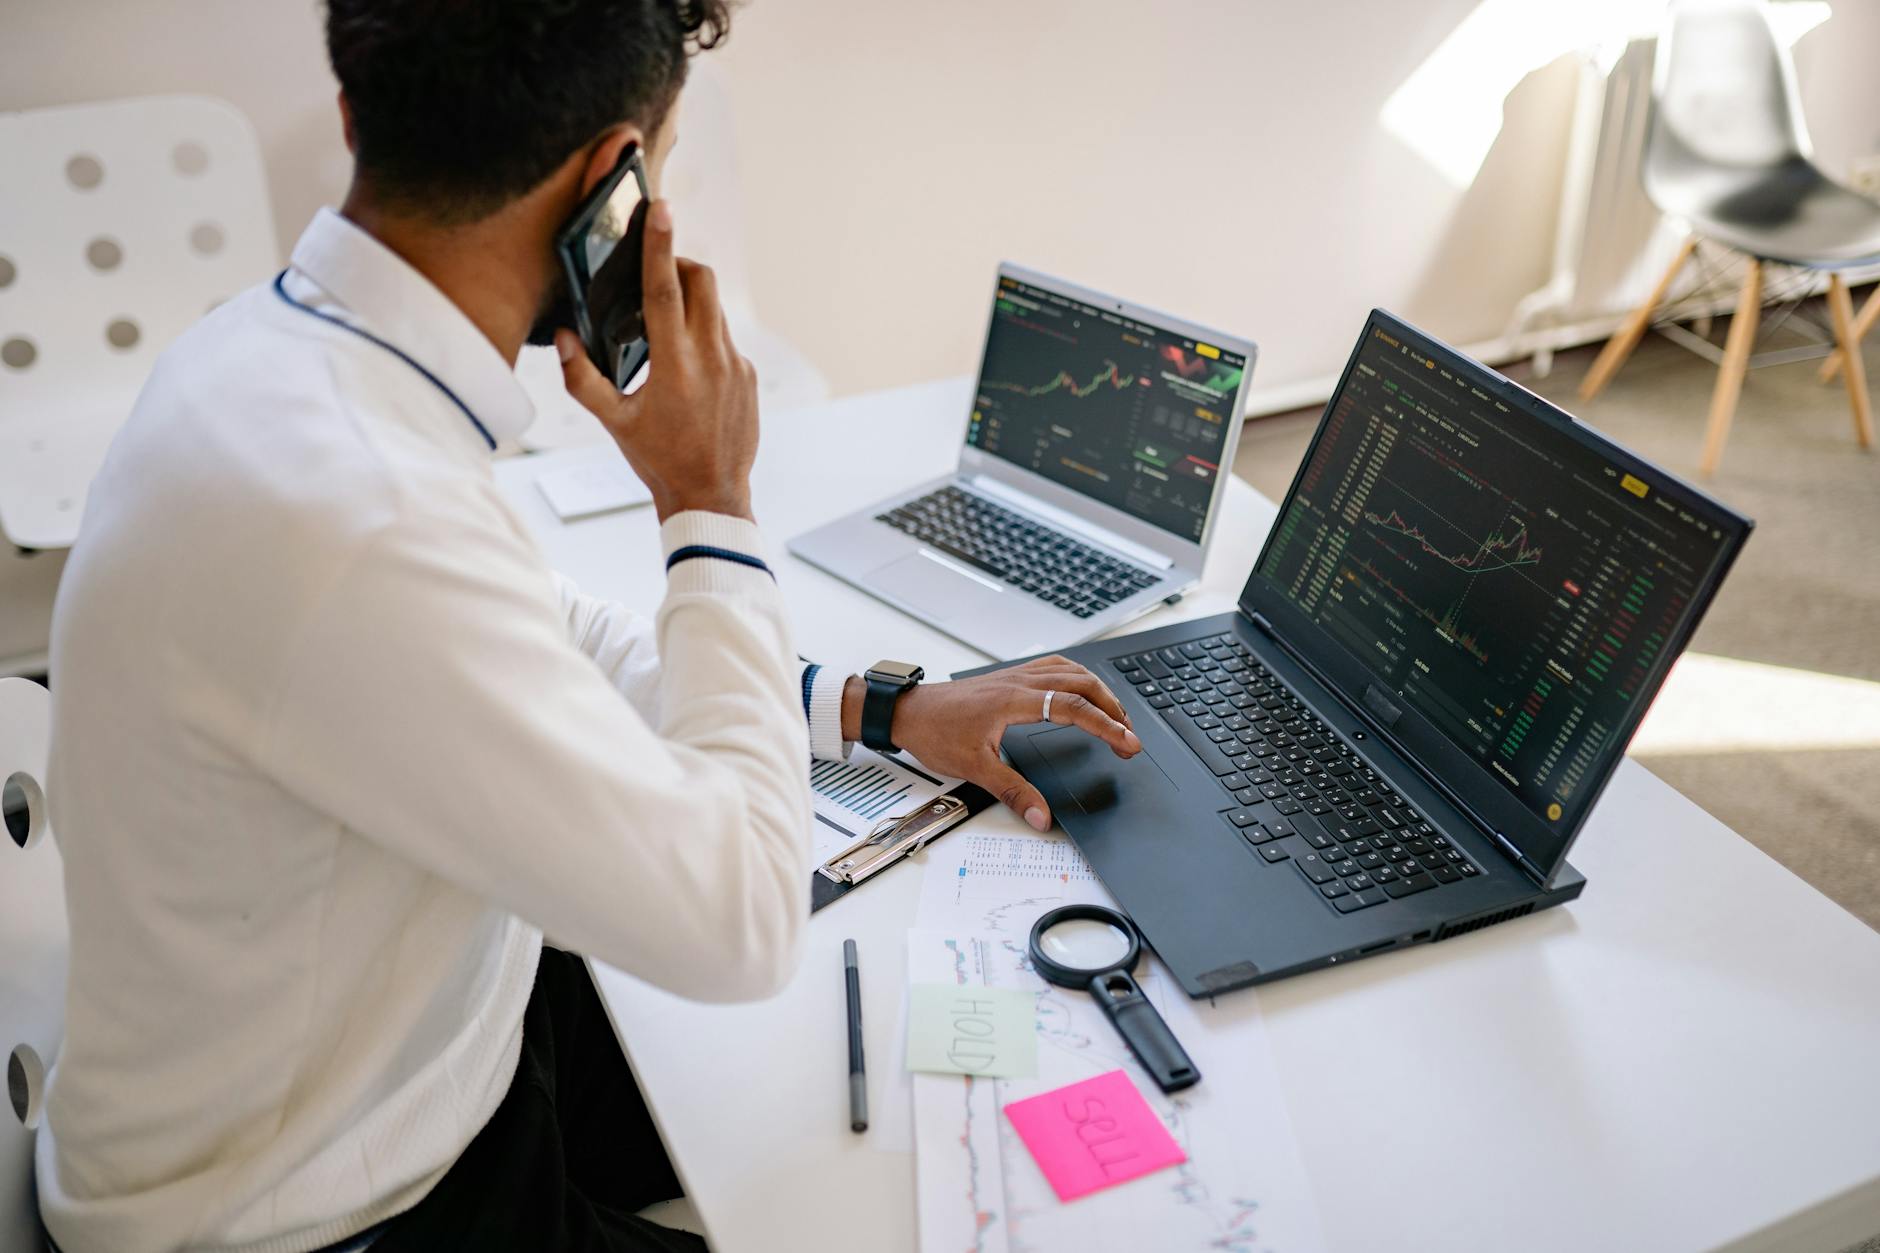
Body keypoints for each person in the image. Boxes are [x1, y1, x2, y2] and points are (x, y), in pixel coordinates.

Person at [35, 2, 1141, 1251]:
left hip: (414, 1046)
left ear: (358, 118)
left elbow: (543, 632)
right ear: (612, 179)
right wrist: (707, 503)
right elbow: (738, 922)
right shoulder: (357, 511)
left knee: (867, 1082)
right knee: (862, 1153)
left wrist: (878, 708)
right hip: (327, 1211)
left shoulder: (281, 362)